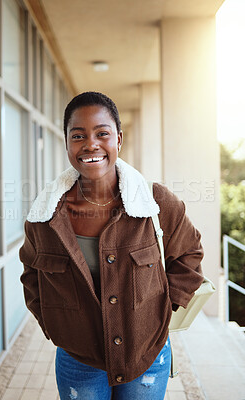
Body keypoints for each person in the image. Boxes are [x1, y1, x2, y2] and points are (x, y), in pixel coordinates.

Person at [19, 91, 204, 400]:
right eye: (78, 135)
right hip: (79, 360)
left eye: (101, 133)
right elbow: (31, 275)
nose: (90, 144)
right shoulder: (45, 216)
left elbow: (189, 255)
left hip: (146, 357)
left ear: (118, 139)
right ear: (66, 143)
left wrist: (159, 314)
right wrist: (54, 325)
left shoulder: (156, 203)